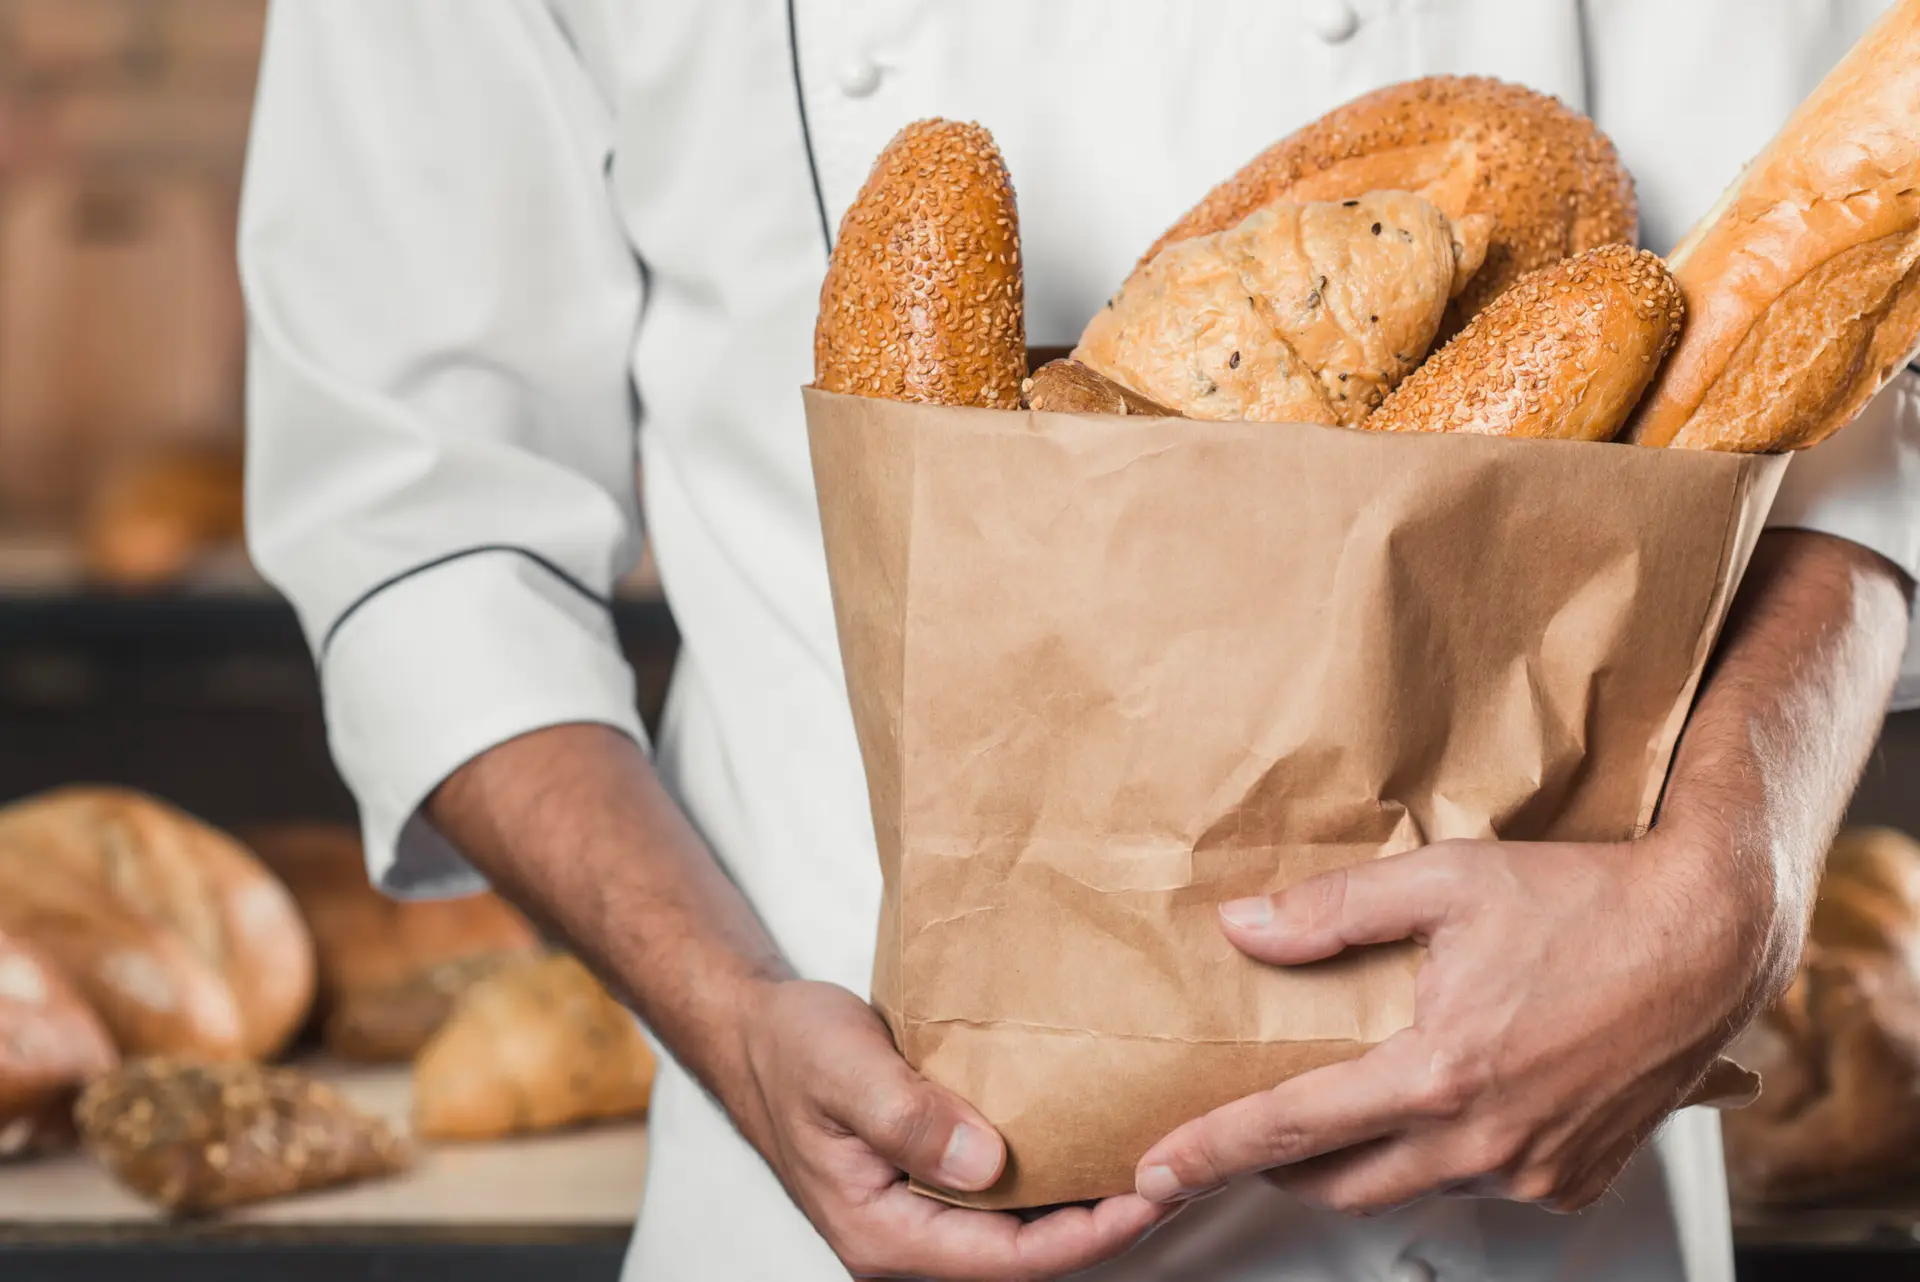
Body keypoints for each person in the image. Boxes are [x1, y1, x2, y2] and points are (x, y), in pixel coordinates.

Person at [240, 3, 1920, 1279]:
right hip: (824, 1171)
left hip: (1520, 1197)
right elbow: (422, 522)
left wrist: (1730, 883)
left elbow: (1828, 328)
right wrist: (733, 1014)